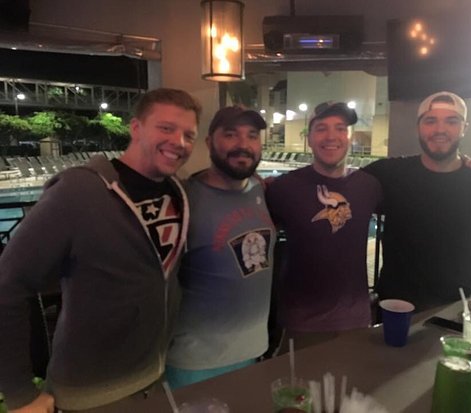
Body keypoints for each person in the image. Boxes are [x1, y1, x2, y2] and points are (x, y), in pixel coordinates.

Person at [0, 88, 202, 412]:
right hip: (88, 394)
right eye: (166, 128)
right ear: (136, 128)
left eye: (188, 135)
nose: (178, 141)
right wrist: (19, 394)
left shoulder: (179, 193)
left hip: (154, 379)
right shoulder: (78, 192)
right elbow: (8, 283)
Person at [363, 91, 471, 312]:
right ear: (418, 127)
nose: (440, 129)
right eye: (430, 121)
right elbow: (341, 188)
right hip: (395, 304)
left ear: (464, 128)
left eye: (451, 121)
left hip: (457, 304)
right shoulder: (388, 174)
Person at [166, 106, 275, 388]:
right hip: (195, 363)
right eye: (230, 134)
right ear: (209, 142)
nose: (243, 144)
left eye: (252, 135)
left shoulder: (258, 188)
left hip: (253, 352)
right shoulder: (184, 200)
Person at [265, 102, 382, 351]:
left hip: (356, 321)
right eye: (321, 128)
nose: (331, 136)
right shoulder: (283, 189)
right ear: (308, 138)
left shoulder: (369, 186)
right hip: (300, 323)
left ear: (349, 137)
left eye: (340, 128)